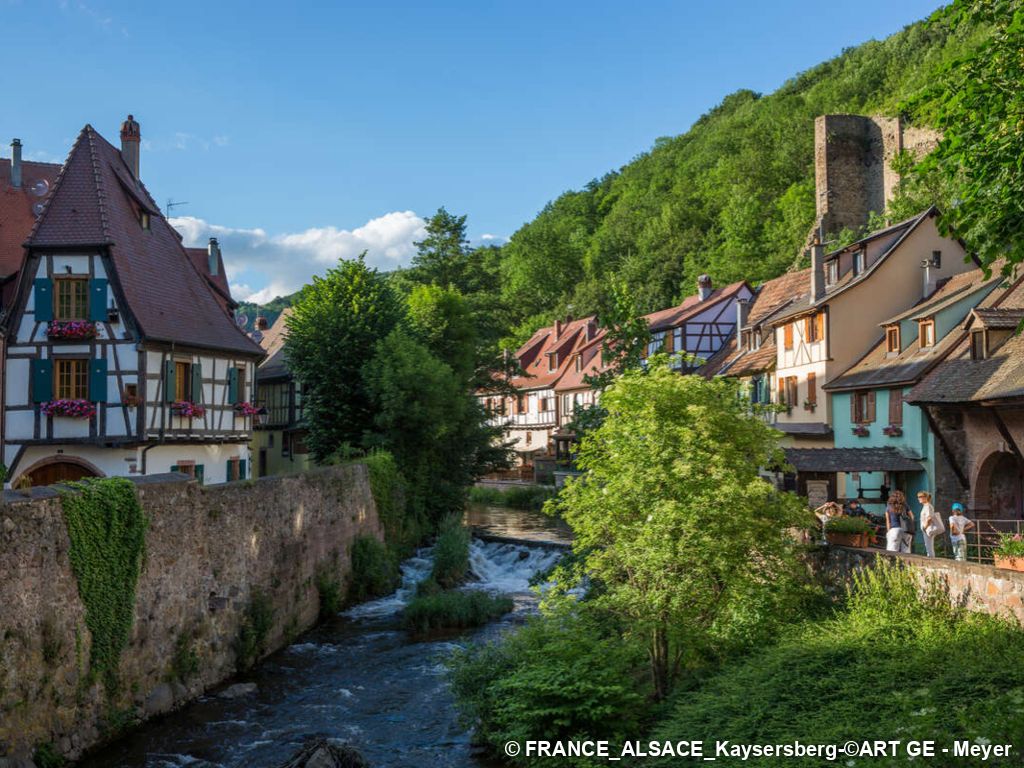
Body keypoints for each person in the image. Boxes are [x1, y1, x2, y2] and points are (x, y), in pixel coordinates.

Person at [917, 491, 944, 558]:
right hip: (927, 529)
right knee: (928, 546)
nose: (919, 498)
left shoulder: (928, 506)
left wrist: (924, 528)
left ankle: (931, 561)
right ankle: (931, 559)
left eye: (920, 497)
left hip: (927, 529)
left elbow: (929, 518)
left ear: (925, 497)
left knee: (929, 548)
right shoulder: (926, 506)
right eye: (918, 497)